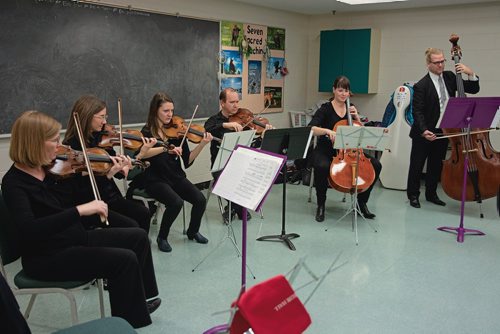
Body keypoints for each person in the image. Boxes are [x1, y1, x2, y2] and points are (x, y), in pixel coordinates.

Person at [2, 111, 161, 328]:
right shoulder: (14, 184)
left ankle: (142, 299)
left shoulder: (48, 169)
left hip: (72, 238)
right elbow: (30, 230)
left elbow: (74, 196)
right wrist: (79, 211)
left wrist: (104, 174)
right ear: (34, 142)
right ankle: (128, 324)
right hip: (47, 256)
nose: (59, 146)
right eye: (54, 140)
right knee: (123, 260)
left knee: (138, 236)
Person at [127, 92, 212, 253]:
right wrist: (165, 149)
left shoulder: (177, 131)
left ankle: (193, 231)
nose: (170, 115)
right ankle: (162, 237)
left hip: (174, 175)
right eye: (166, 111)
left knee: (200, 199)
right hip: (154, 178)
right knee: (176, 203)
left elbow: (187, 161)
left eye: (172, 110)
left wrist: (202, 144)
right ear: (155, 111)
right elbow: (141, 154)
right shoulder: (146, 132)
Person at [63, 95, 154, 232]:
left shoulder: (102, 139)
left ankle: (140, 250)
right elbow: (80, 190)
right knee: (132, 227)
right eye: (101, 117)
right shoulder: (72, 147)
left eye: (106, 117)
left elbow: (118, 175)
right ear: (87, 116)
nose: (105, 122)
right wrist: (109, 174)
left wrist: (124, 166)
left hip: (110, 197)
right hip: (90, 202)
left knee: (144, 213)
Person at [407, 48, 479, 208]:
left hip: (444, 130)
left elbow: (473, 89)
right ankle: (413, 195)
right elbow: (417, 111)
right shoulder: (421, 85)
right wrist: (424, 130)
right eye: (437, 62)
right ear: (428, 64)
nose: (440, 65)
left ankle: (431, 193)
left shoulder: (450, 77)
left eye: (442, 61)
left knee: (436, 164)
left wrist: (470, 72)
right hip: (424, 131)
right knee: (417, 164)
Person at [308, 76, 382, 222]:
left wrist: (357, 118)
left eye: (346, 91)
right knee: (321, 166)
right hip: (326, 149)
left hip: (349, 152)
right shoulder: (325, 108)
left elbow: (360, 132)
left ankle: (362, 203)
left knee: (376, 165)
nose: (343, 94)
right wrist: (328, 131)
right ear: (334, 90)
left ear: (349, 93)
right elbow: (311, 128)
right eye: (340, 90)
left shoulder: (351, 108)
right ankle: (321, 204)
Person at [204, 88, 273, 221]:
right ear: (222, 103)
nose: (236, 105)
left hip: (241, 163)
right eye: (232, 102)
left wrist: (262, 137)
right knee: (225, 179)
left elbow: (252, 145)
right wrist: (225, 125)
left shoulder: (244, 120)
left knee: (252, 176)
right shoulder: (215, 120)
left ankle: (231, 208)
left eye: (237, 101)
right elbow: (206, 129)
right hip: (221, 165)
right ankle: (238, 208)